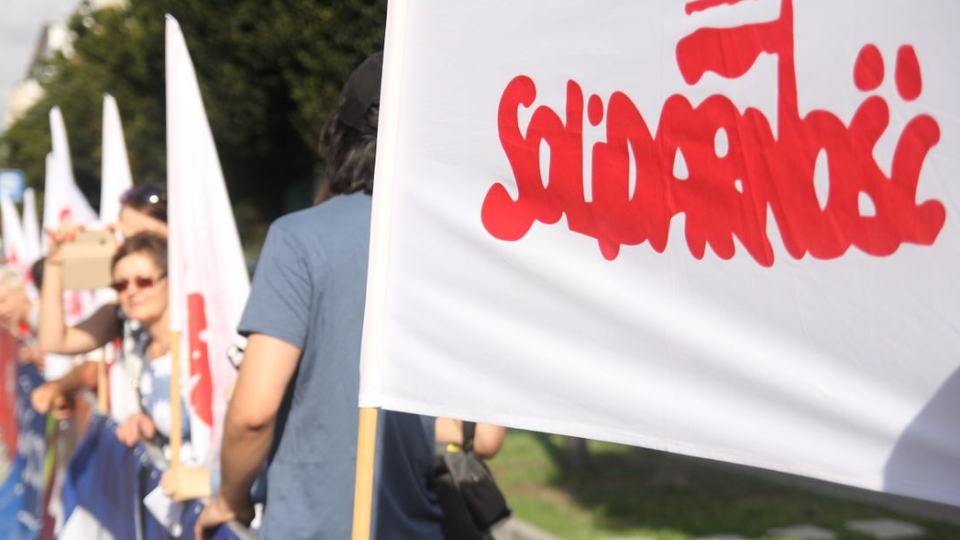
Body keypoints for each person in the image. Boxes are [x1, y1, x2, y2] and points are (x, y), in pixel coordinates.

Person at [196, 51, 444, 540]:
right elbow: (480, 431)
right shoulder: (447, 247)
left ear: (339, 137)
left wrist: (229, 498)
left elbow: (253, 412)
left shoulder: (299, 239)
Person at [32, 232, 190, 449]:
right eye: (120, 285)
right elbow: (53, 342)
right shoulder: (132, 330)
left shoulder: (197, 343)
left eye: (144, 282)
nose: (131, 291)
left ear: (171, 280)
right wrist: (54, 262)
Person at [31, 184, 168, 421]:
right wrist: (55, 262)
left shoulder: (202, 312)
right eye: (124, 237)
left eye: (144, 238)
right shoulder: (125, 309)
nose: (130, 249)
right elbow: (53, 341)